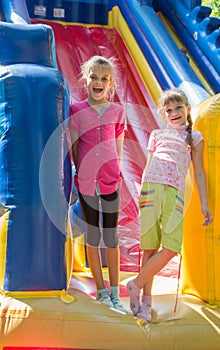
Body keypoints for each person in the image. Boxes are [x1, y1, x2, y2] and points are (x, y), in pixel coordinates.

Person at [127, 88, 213, 321]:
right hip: (152, 189)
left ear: (187, 108)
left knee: (171, 247)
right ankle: (145, 302)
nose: (174, 112)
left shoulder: (194, 137)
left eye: (178, 108)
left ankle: (134, 284)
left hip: (174, 193)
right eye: (169, 110)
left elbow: (199, 172)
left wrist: (205, 204)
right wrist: (141, 196)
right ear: (164, 114)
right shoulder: (157, 134)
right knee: (149, 246)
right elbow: (148, 166)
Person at [69, 55, 127, 312]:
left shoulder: (117, 111)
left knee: (111, 237)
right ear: (86, 79)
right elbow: (75, 146)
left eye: (104, 78)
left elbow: (119, 147)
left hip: (111, 180)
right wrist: (81, 173)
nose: (98, 82)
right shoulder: (76, 110)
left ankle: (115, 292)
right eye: (94, 77)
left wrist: (117, 173)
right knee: (93, 236)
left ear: (111, 83)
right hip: (87, 181)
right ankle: (101, 291)